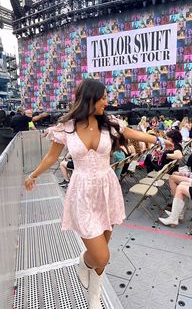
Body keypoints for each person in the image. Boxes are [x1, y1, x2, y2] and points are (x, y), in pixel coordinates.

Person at [24, 78, 162, 309]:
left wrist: (158, 139)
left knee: (104, 249)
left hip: (107, 189)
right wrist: (34, 175)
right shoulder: (65, 127)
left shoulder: (109, 123)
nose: (106, 102)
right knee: (100, 256)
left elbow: (132, 133)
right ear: (91, 98)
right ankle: (85, 263)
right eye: (104, 98)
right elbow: (51, 157)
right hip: (82, 193)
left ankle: (94, 295)